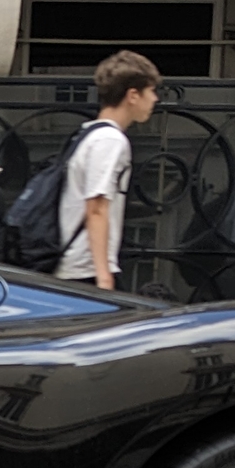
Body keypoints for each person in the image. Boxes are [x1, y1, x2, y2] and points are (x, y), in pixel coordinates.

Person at [58, 51, 162, 291]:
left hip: (75, 264)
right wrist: (104, 278)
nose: (155, 99)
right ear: (133, 95)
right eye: (151, 91)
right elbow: (96, 208)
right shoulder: (110, 140)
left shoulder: (87, 133)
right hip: (87, 269)